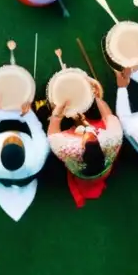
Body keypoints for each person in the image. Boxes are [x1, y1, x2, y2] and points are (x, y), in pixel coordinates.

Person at [47, 76, 123, 208]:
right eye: (92, 136)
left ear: (81, 147)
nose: (89, 132)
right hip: (102, 170)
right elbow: (107, 116)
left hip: (83, 174)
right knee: (91, 126)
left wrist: (57, 116)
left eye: (87, 137)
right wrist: (98, 97)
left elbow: (52, 134)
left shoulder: (70, 150)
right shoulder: (113, 139)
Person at [0, 98, 49, 222]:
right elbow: (37, 130)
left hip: (2, 128)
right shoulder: (38, 158)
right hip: (24, 133)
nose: (13, 135)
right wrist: (28, 114)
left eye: (9, 140)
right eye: (15, 140)